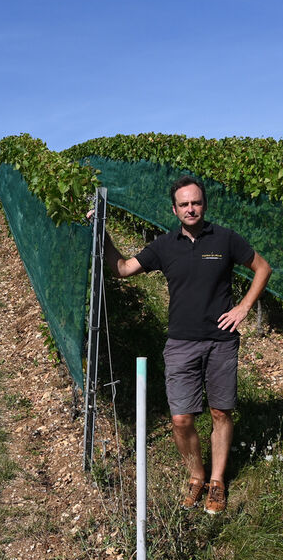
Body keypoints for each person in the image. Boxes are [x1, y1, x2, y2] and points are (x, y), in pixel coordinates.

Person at [100, 175, 271, 514]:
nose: (191, 208)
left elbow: (262, 267)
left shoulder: (224, 239)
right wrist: (101, 233)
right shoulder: (164, 246)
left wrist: (243, 307)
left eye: (196, 202)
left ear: (203, 205)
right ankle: (197, 475)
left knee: (221, 412)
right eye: (184, 204)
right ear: (174, 209)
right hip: (180, 343)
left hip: (221, 341)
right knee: (181, 419)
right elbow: (121, 268)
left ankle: (218, 482)